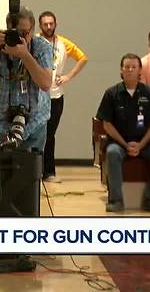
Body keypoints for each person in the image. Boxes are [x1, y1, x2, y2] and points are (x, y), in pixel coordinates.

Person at [96, 53, 150, 213]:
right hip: (118, 143)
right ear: (121, 71)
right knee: (113, 154)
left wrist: (141, 145)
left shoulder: (149, 93)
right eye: (126, 67)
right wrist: (125, 144)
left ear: (139, 70)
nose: (130, 70)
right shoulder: (111, 93)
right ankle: (116, 200)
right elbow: (106, 124)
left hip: (145, 142)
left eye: (133, 67)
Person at [0, 6, 53, 151]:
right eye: (15, 32)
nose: (19, 37)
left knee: (30, 172)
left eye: (24, 33)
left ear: (32, 30)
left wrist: (25, 55)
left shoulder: (42, 47)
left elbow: (45, 84)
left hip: (33, 122)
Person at [38, 11, 88, 183]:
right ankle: (34, 171)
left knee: (50, 134)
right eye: (45, 24)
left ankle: (49, 172)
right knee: (37, 133)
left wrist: (67, 76)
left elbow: (82, 58)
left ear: (56, 24)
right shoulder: (35, 42)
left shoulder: (63, 43)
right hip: (37, 96)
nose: (49, 27)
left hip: (56, 96)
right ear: (40, 26)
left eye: (51, 23)